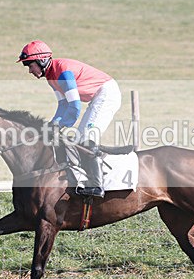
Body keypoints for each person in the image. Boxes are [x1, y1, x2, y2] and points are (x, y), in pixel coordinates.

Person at [17, 40, 121, 197]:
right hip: (97, 97)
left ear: (42, 60)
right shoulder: (51, 77)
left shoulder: (63, 72)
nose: (29, 70)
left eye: (30, 65)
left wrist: (58, 127)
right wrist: (52, 125)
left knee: (86, 139)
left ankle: (97, 186)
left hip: (106, 94)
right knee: (79, 139)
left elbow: (74, 108)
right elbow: (63, 106)